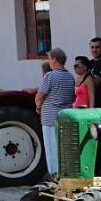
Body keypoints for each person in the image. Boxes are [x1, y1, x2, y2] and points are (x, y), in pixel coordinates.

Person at [35, 48, 75, 179]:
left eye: (49, 59)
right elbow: (72, 98)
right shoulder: (70, 76)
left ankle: (54, 175)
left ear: (54, 59)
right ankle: (65, 174)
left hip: (49, 118)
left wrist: (38, 107)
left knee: (52, 149)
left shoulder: (50, 76)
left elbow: (39, 96)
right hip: (65, 116)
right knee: (63, 149)